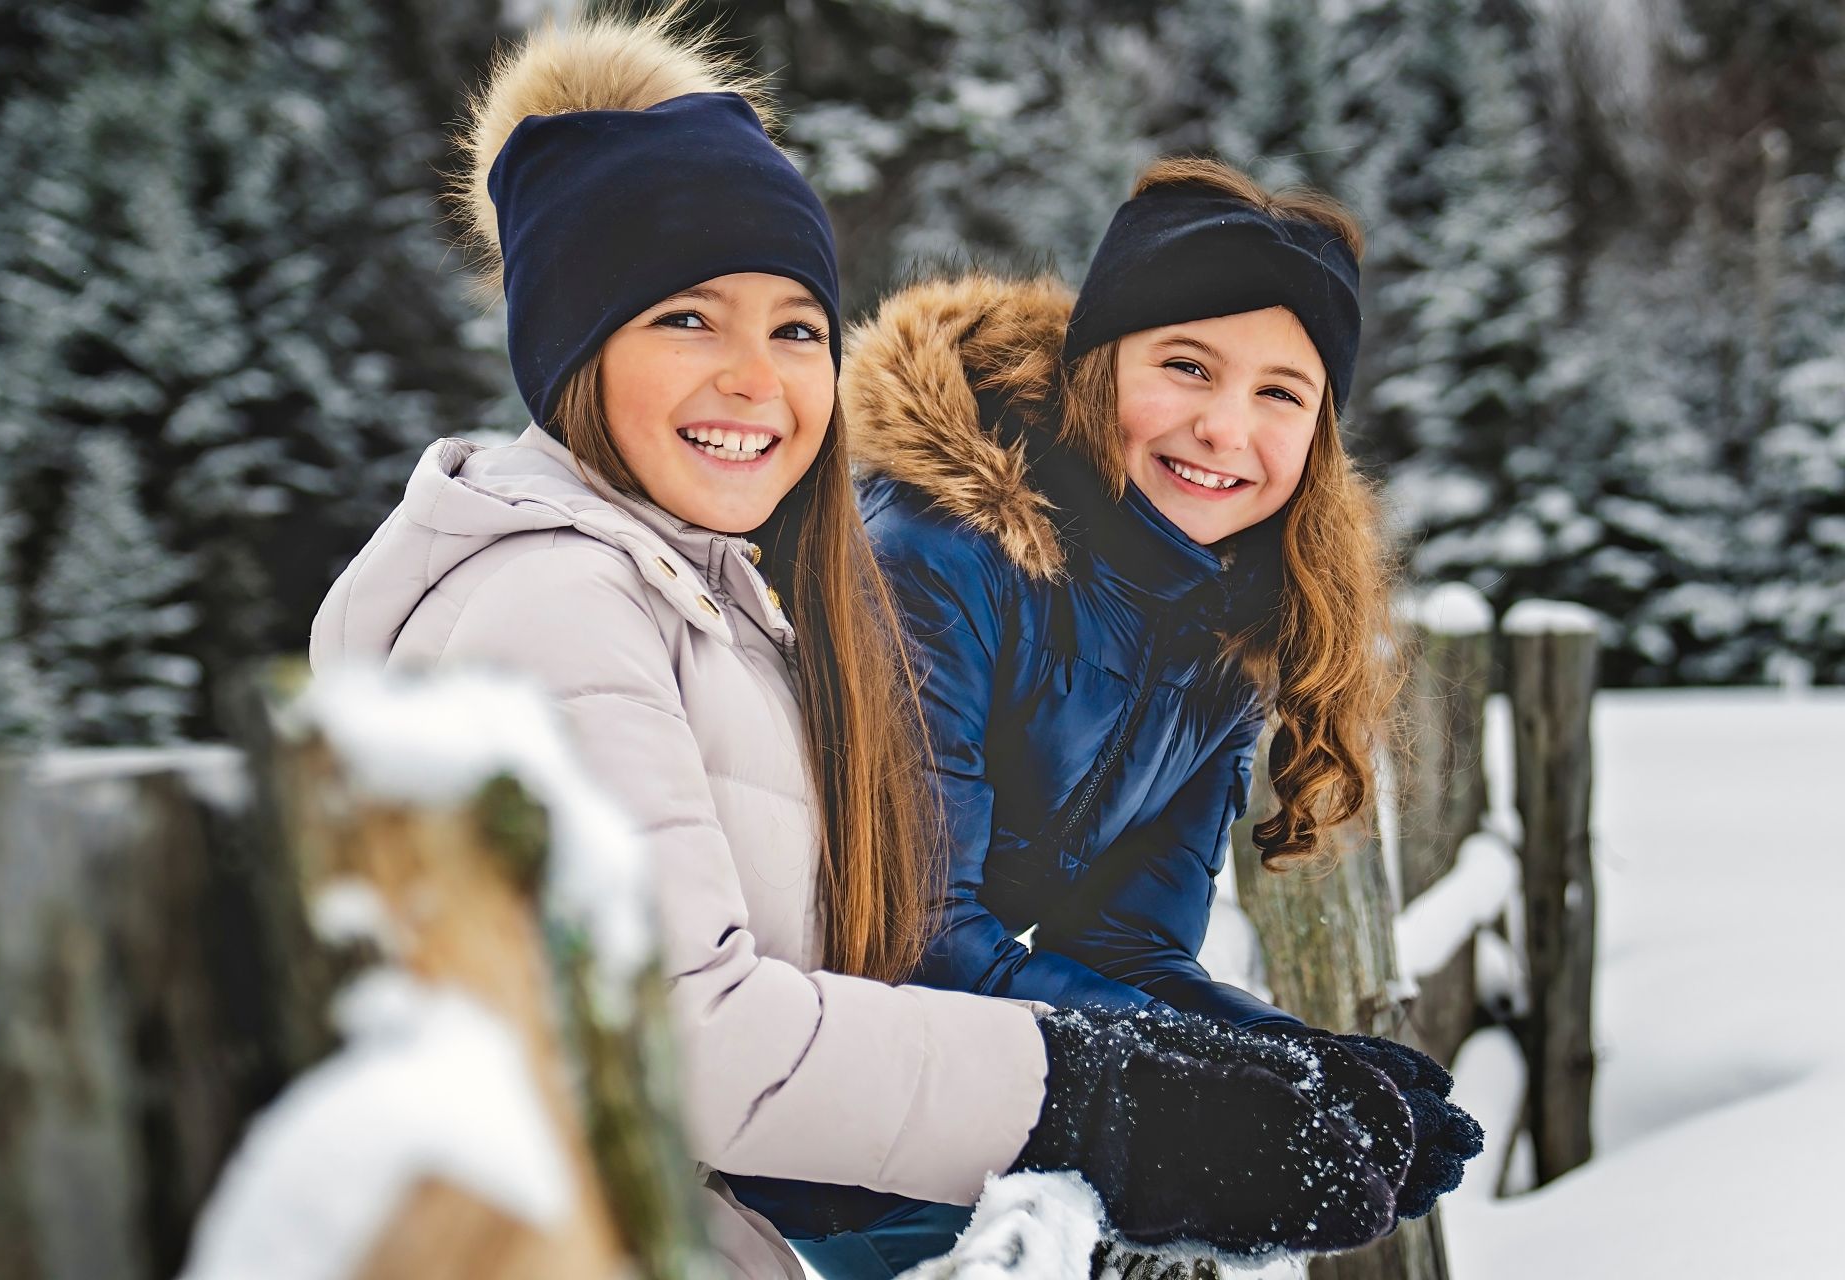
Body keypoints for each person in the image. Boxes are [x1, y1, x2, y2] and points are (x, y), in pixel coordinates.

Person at [312, 15, 1462, 1279]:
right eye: (688, 319)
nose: (755, 378)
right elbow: (726, 1021)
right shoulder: (565, 605)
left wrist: (1273, 1064)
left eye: (797, 328)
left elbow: (1100, 943)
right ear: (569, 342)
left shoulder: (705, 596)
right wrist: (1112, 1096)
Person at [730, 158, 1485, 1267]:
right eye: (1188, 365)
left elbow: (1127, 939)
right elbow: (917, 939)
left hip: (946, 1120)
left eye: (1284, 392)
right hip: (776, 1126)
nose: (1228, 427)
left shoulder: (1229, 618)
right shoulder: (935, 551)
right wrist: (1230, 1084)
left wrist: (1296, 1053)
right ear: (1095, 365)